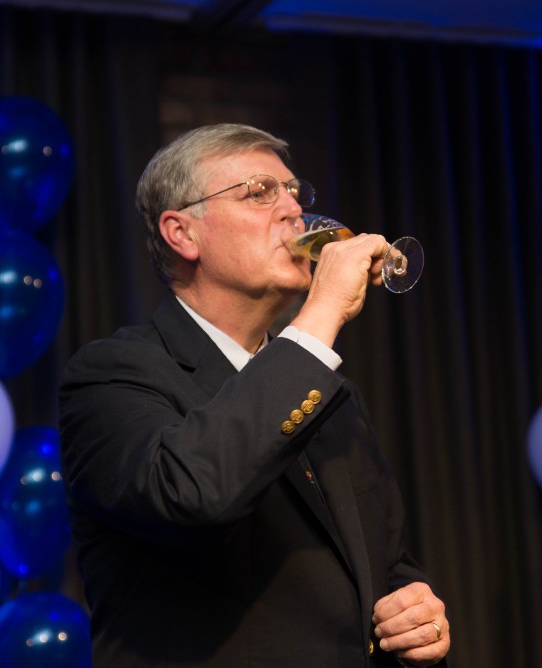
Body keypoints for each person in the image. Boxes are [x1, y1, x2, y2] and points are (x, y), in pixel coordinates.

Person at [59, 123, 450, 668]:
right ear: (182, 233)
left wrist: (416, 619)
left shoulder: (330, 393)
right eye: (261, 192)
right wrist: (322, 313)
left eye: (295, 192)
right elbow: (192, 495)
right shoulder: (109, 375)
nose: (292, 210)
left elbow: (385, 564)